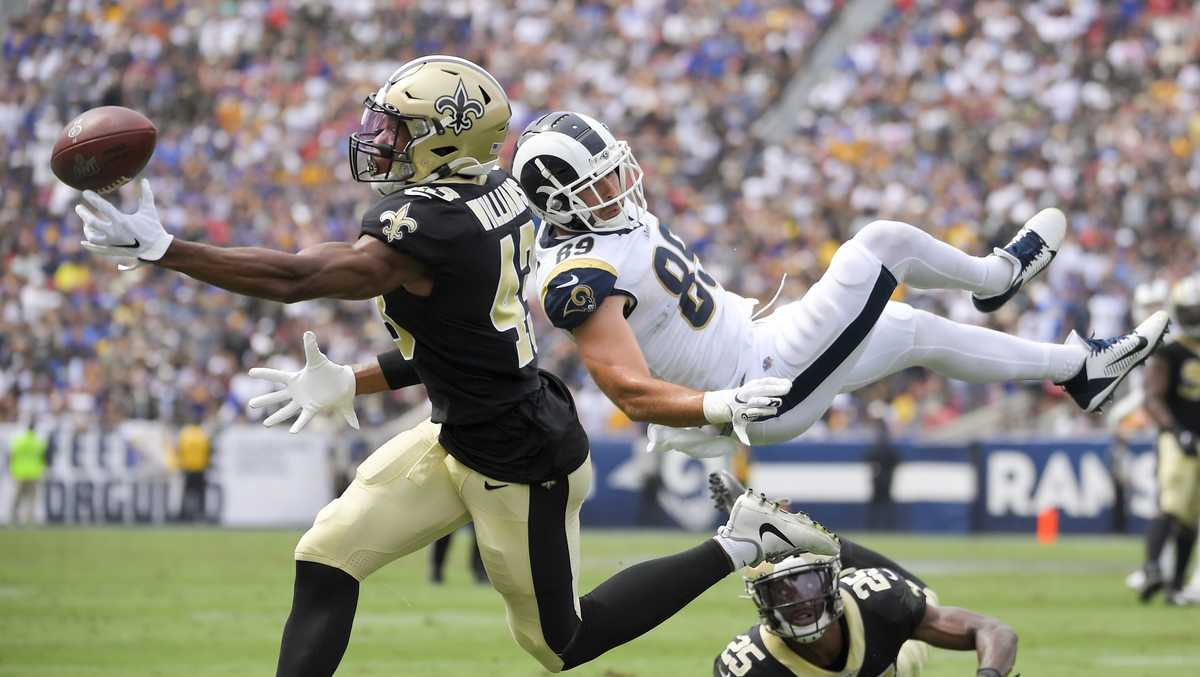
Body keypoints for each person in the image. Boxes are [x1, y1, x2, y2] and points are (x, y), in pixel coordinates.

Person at [74, 56, 838, 676]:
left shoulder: (428, 226)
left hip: (519, 455)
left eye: (397, 128)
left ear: (447, 141)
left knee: (560, 644)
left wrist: (167, 250)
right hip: (464, 427)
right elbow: (465, 339)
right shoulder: (495, 189)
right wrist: (355, 378)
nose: (377, 137)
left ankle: (743, 537)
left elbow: (301, 279)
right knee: (325, 556)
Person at [512, 111, 1168, 455]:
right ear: (561, 201)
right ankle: (997, 277)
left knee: (913, 331)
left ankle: (1082, 367)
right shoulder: (577, 276)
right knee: (881, 244)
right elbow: (627, 390)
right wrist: (714, 412)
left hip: (759, 342)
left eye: (612, 166)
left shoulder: (603, 223)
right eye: (598, 179)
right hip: (759, 384)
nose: (619, 181)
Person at [709, 471, 1018, 677]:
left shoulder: (875, 601)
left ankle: (785, 529)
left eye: (807, 584)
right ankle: (778, 529)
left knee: (922, 599)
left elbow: (994, 630)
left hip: (890, 649)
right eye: (781, 591)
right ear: (760, 600)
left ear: (834, 583)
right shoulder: (749, 665)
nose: (799, 600)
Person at [1135, 274, 1200, 605]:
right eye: (1190, 311)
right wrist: (1177, 432)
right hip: (1178, 438)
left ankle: (1175, 585)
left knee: (1190, 516)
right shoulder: (1171, 352)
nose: (1194, 319)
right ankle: (1150, 568)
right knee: (1171, 503)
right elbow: (1153, 397)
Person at [7, 420, 47, 526]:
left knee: (17, 497)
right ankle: (28, 520)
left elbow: (11, 456)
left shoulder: (19, 441)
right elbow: (43, 458)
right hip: (34, 473)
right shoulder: (38, 442)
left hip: (19, 472)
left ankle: (13, 518)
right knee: (31, 498)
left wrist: (11, 469)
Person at [176, 421, 211, 523]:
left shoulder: (185, 434)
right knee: (201, 495)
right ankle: (201, 515)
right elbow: (208, 450)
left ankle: (183, 515)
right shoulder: (203, 434)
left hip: (188, 468)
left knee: (186, 493)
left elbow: (180, 450)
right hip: (200, 468)